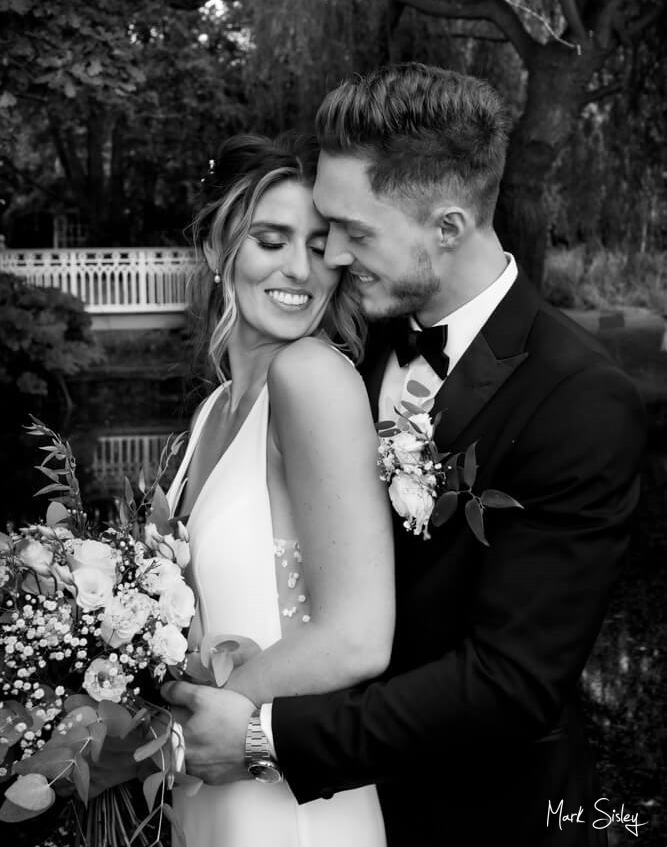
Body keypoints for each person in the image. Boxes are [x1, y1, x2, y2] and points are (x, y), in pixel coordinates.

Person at [163, 65, 646, 847]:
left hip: (485, 816)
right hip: (336, 806)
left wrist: (263, 735)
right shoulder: (352, 343)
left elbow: (511, 680)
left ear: (446, 227)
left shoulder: (579, 398)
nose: (331, 258)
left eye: (352, 232)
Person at [165, 134, 393, 847]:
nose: (300, 268)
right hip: (209, 795)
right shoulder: (213, 411)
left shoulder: (312, 376)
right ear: (216, 249)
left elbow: (357, 639)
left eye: (320, 246)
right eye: (271, 241)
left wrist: (192, 728)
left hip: (291, 804)